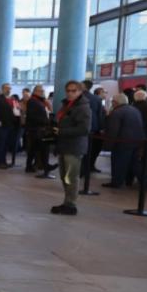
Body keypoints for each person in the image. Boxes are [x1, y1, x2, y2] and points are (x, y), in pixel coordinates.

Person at [51, 81, 92, 215]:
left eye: (73, 91)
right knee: (64, 176)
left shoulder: (83, 107)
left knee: (71, 177)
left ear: (80, 91)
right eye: (68, 90)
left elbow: (84, 129)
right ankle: (67, 202)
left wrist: (61, 131)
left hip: (74, 147)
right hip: (64, 145)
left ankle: (71, 204)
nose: (70, 93)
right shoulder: (68, 105)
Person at [103, 93, 144, 188]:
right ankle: (143, 180)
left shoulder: (117, 112)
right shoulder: (134, 110)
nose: (112, 103)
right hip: (136, 141)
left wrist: (108, 145)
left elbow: (113, 130)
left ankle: (116, 182)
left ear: (116, 102)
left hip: (122, 142)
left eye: (113, 101)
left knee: (118, 163)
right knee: (135, 163)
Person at [25, 84, 53, 175]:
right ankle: (40, 166)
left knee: (37, 148)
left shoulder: (39, 101)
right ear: (35, 91)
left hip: (39, 128)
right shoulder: (33, 101)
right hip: (35, 129)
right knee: (36, 149)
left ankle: (41, 165)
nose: (43, 92)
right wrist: (45, 121)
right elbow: (32, 116)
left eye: (43, 91)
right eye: (41, 91)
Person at [82, 81, 106, 175]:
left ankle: (82, 169)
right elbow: (99, 115)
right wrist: (100, 128)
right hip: (93, 128)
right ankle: (88, 167)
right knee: (90, 149)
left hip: (80, 127)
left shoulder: (78, 97)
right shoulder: (96, 99)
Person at [0, 83, 15, 169]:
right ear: (3, 89)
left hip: (9, 124)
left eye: (10, 89)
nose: (9, 90)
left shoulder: (11, 99)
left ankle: (4, 161)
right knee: (0, 144)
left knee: (5, 144)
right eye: (7, 88)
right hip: (0, 125)